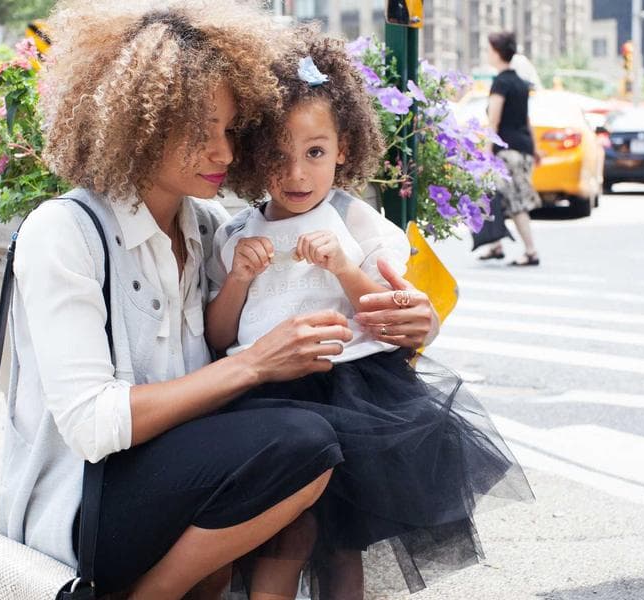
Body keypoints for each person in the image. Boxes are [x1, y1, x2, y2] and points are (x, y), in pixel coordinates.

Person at [0, 3, 445, 599]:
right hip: (86, 508)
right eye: (199, 133)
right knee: (300, 441)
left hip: (181, 479)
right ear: (139, 124)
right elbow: (92, 425)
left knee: (306, 442)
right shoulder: (65, 231)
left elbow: (357, 295)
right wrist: (256, 363)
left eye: (231, 132)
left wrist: (423, 321)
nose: (226, 155)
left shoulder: (209, 228)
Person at [209, 30, 530, 600]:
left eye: (315, 152)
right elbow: (220, 334)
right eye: (278, 155)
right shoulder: (238, 232)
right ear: (255, 156)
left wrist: (345, 269)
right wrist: (237, 278)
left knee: (340, 543)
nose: (297, 174)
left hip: (352, 398)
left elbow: (389, 321)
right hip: (264, 398)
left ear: (344, 149)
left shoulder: (359, 227)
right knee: (281, 538)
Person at [480, 31, 542, 266]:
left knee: (514, 201)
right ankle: (496, 245)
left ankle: (531, 251)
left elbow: (493, 123)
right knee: (493, 195)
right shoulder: (520, 83)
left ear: (497, 53)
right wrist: (534, 149)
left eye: (489, 50)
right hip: (523, 148)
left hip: (507, 151)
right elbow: (526, 120)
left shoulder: (501, 83)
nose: (488, 54)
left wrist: (487, 153)